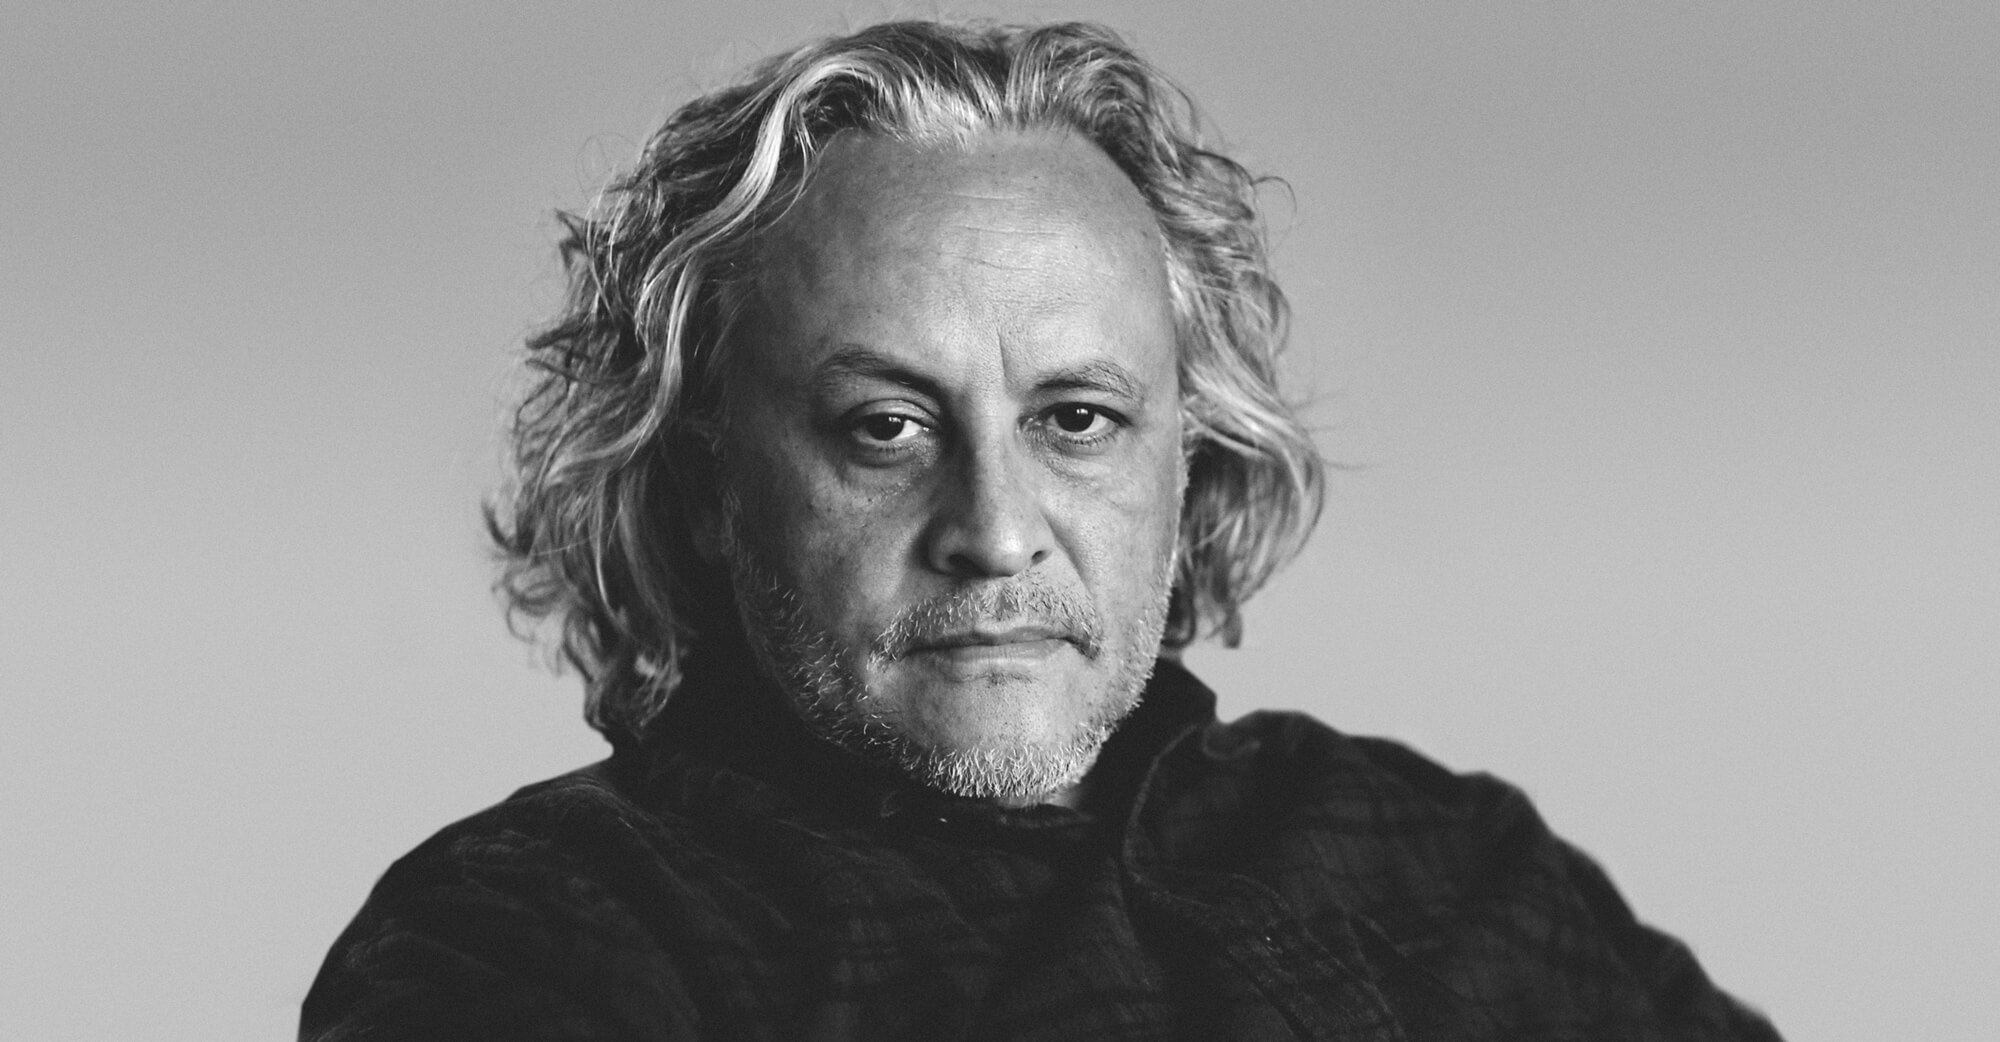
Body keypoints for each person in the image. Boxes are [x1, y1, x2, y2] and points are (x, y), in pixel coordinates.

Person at [303, 19, 1781, 1041]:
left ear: (1188, 461)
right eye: (886, 426)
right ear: (703, 482)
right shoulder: (537, 937)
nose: (994, 530)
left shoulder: (1443, 869)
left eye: (1075, 418)